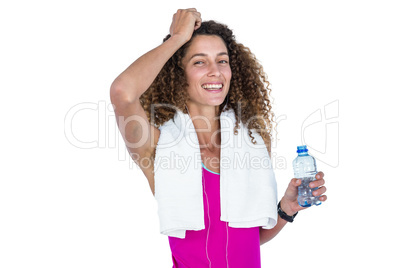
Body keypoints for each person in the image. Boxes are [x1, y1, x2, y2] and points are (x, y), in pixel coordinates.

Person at [110, 8, 327, 268]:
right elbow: (123, 92)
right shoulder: (157, 146)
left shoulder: (254, 141)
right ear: (179, 74)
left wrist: (285, 209)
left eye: (222, 60)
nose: (215, 71)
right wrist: (177, 38)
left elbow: (247, 238)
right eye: (199, 61)